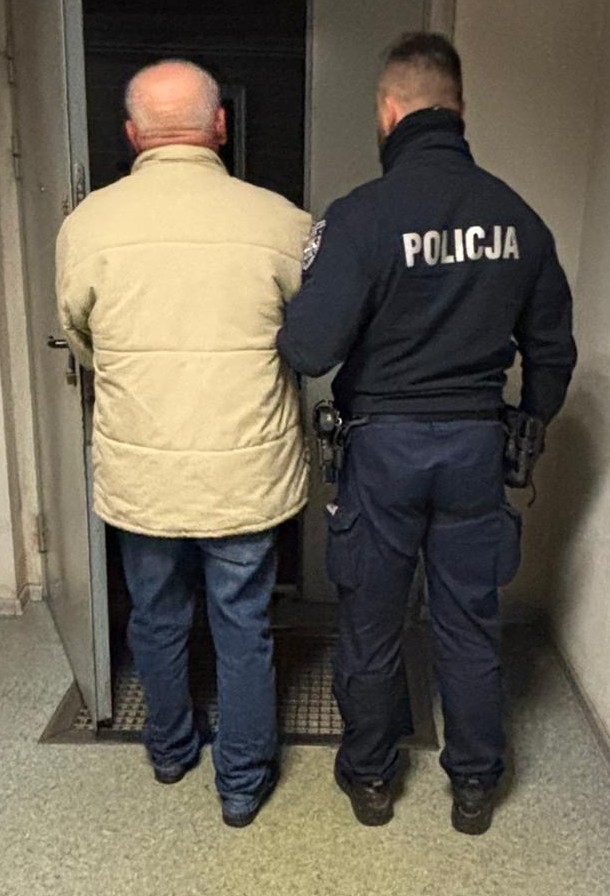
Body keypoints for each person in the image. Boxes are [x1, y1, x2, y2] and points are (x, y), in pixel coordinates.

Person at [277, 32, 576, 834]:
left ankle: (372, 780)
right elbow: (553, 349)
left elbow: (308, 348)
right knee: (468, 625)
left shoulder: (362, 217)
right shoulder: (516, 217)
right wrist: (529, 425)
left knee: (372, 625)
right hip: (476, 447)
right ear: (459, 109)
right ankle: (474, 787)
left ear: (388, 111)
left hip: (384, 451)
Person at [56, 59, 311, 827]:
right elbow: (310, 337)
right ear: (220, 125)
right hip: (247, 468)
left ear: (133, 135)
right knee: (243, 623)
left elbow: (82, 340)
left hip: (143, 468)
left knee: (157, 615)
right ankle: (241, 784)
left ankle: (169, 751)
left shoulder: (87, 223)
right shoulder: (282, 221)